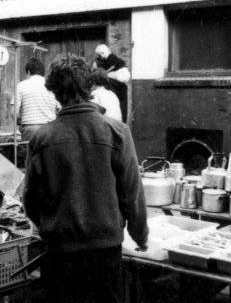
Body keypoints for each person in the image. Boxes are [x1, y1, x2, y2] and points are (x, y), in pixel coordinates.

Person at [24, 53, 148, 303]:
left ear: (54, 92)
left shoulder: (41, 138)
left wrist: (50, 227)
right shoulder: (117, 132)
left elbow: (30, 201)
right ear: (89, 86)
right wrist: (140, 235)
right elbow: (132, 195)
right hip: (105, 251)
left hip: (60, 252)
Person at [9, 58, 60, 143]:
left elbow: (13, 112)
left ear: (28, 72)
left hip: (30, 129)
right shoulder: (52, 86)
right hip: (51, 128)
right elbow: (60, 109)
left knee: (30, 151)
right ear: (43, 72)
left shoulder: (21, 86)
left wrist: (18, 120)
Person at [94, 44, 131, 123]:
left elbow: (125, 77)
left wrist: (113, 75)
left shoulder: (118, 61)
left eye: (103, 53)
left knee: (121, 114)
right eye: (99, 54)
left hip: (119, 90)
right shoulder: (96, 63)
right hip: (106, 90)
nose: (101, 56)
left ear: (108, 51)